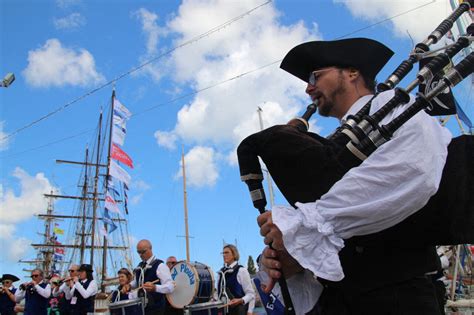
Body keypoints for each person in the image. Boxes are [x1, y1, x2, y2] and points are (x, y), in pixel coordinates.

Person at [257, 38, 451, 314]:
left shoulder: (391, 104)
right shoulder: (335, 145)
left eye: (316, 76)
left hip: (397, 296)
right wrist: (290, 257)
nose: (308, 87)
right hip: (347, 298)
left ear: (351, 72)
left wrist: (304, 229)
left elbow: (415, 169)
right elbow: (335, 232)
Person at [131, 239, 174, 315]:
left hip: (156, 309)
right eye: (138, 252)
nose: (140, 255)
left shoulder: (160, 266)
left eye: (143, 252)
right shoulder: (139, 267)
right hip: (142, 309)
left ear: (150, 249)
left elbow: (170, 287)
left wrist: (155, 287)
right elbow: (136, 282)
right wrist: (129, 285)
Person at [217, 244, 255, 315]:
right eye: (223, 253)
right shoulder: (220, 273)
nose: (224, 255)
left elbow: (251, 294)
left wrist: (241, 301)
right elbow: (219, 295)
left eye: (227, 252)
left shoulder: (241, 271)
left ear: (234, 254)